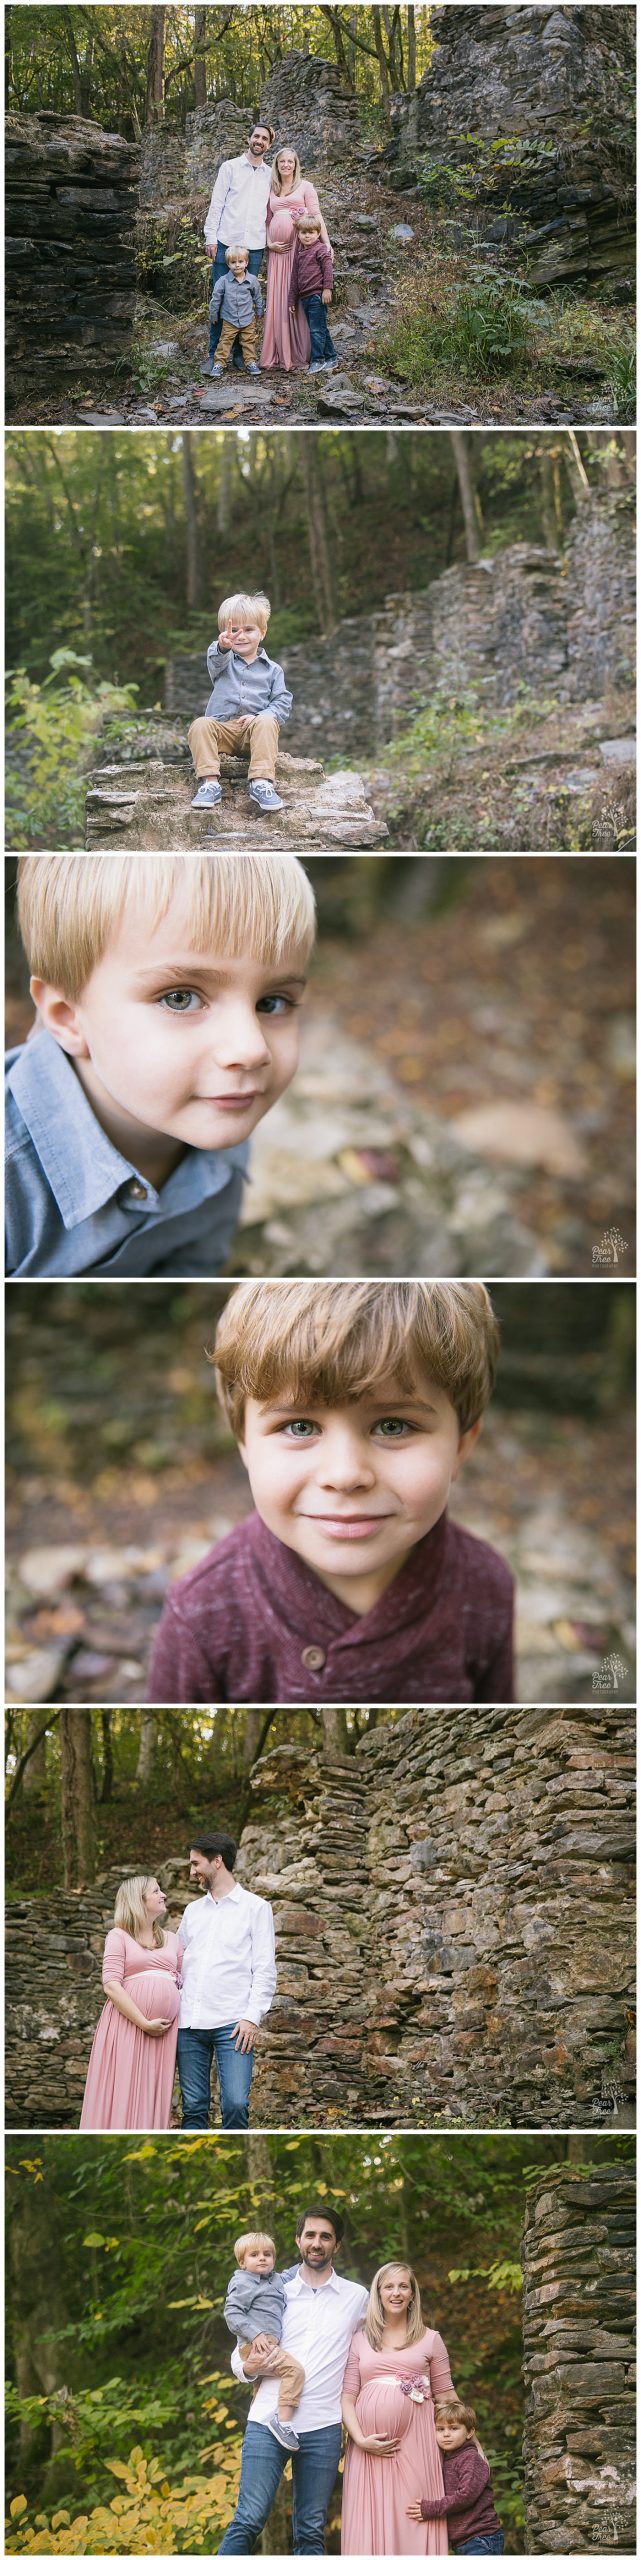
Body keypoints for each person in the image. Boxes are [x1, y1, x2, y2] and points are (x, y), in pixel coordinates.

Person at [148, 1279, 516, 1704]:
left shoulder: (486, 1586)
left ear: (462, 1444)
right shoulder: (201, 1612)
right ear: (244, 1442)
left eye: (393, 1425)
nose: (344, 1474)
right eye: (299, 1427)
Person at [6, 852, 314, 1277]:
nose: (251, 1048)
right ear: (69, 1018)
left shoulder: (220, 1113)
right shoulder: (11, 1189)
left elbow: (195, 1264)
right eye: (180, 998)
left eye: (271, 1003)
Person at [218, 2205, 369, 2554]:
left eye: (326, 2237)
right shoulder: (274, 2287)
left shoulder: (356, 2298)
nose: (317, 2243)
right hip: (267, 2421)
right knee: (248, 2519)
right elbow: (238, 2354)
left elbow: (375, 2350)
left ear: (338, 2245)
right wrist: (251, 2367)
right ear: (298, 2240)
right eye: (310, 2235)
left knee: (310, 2530)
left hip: (323, 2427)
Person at [341, 2261, 454, 2555]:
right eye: (389, 2286)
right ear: (378, 2294)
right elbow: (347, 2398)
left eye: (403, 2286)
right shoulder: (359, 2339)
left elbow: (446, 2396)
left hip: (419, 2445)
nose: (396, 2292)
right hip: (368, 2450)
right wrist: (360, 2439)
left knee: (416, 2515)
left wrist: (472, 2442)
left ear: (412, 2293)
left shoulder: (431, 2339)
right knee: (371, 2521)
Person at [176, 1831, 276, 2130]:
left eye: (196, 1863)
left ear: (217, 1861)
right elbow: (176, 1963)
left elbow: (265, 1968)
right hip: (188, 2024)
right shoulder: (192, 1911)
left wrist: (252, 2017)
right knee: (193, 2108)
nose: (192, 1871)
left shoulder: (256, 1908)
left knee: (235, 2103)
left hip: (234, 2025)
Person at [80, 1875, 180, 2131]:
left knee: (152, 2088)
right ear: (139, 1900)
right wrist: (143, 2022)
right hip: (128, 2025)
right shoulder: (119, 1936)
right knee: (123, 2085)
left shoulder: (173, 1940)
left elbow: (185, 1981)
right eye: (156, 1891)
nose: (163, 1895)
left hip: (165, 2033)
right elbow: (111, 1984)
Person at [188, 591, 292, 818]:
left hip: (252, 733)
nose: (241, 636)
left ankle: (261, 782)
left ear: (262, 632)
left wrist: (261, 715)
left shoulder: (273, 670)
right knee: (200, 724)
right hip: (222, 730)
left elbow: (282, 701)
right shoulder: (222, 660)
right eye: (234, 630)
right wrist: (223, 647)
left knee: (267, 721)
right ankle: (210, 783)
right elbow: (216, 658)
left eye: (248, 630)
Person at [202, 120, 275, 377]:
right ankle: (214, 354)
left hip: (254, 246)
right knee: (220, 298)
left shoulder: (270, 174)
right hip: (226, 243)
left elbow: (273, 210)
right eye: (256, 136)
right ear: (249, 139)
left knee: (245, 301)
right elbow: (217, 204)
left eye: (264, 139)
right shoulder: (230, 167)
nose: (259, 141)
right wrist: (211, 237)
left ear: (269, 144)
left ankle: (241, 354)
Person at [224, 2229, 305, 2452]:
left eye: (267, 2254)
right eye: (255, 2255)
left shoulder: (275, 2280)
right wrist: (255, 2334)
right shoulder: (243, 2282)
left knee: (259, 2392)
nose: (262, 2258)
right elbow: (232, 2314)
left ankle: (256, 2440)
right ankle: (283, 2422)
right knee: (294, 2372)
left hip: (268, 2343)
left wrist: (306, 2258)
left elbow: (290, 2274)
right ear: (242, 2262)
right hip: (257, 2344)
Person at [407, 2393, 504, 2556]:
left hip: (481, 2538)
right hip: (463, 2541)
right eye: (440, 2429)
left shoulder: (471, 2458)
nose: (446, 2434)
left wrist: (432, 2508)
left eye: (453, 2428)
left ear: (469, 2432)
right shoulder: (447, 2458)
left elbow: (465, 2496)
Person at [261, 147, 331, 373]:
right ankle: (279, 350)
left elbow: (316, 215)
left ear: (296, 164)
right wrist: (268, 243)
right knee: (280, 297)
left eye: (290, 161)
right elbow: (265, 220)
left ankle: (306, 351)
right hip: (277, 252)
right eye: (281, 161)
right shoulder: (271, 189)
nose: (286, 165)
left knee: (301, 295)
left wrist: (326, 243)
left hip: (298, 249)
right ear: (276, 165)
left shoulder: (306, 186)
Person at [289, 214, 337, 373]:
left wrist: (327, 289)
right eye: (303, 232)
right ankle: (332, 357)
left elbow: (328, 270)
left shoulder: (321, 249)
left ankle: (318, 360)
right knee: (320, 328)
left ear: (318, 234)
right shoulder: (300, 254)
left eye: (311, 232)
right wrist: (291, 301)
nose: (307, 235)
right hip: (304, 298)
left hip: (317, 295)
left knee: (316, 330)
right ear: (298, 234)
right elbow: (294, 279)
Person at [208, 245, 263, 377]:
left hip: (247, 318)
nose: (237, 265)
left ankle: (250, 362)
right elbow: (215, 299)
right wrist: (213, 315)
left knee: (249, 341)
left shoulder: (252, 280)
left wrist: (260, 310)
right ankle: (219, 364)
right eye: (233, 262)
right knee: (225, 341)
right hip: (229, 318)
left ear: (246, 262)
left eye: (240, 262)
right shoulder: (223, 281)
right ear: (228, 264)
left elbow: (258, 296)